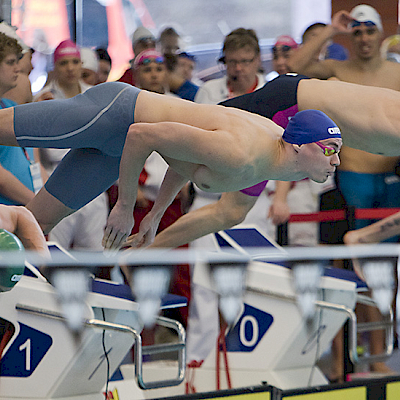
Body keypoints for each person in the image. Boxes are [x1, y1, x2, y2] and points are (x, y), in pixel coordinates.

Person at [0, 75, 346, 251]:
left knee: (32, 225)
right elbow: (140, 134)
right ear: (301, 147)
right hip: (113, 114)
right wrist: (124, 205)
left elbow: (184, 160)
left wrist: (154, 215)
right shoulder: (243, 152)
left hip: (120, 150)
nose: (337, 159)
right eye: (330, 148)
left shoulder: (270, 159)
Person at [33, 39, 108, 251]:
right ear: (55, 67)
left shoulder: (97, 97)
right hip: (57, 184)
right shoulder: (42, 100)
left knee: (94, 254)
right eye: (64, 63)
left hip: (92, 185)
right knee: (54, 253)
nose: (70, 68)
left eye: (75, 62)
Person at [0, 32, 44, 207]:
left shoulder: (11, 107)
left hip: (28, 212)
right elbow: (1, 179)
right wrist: (38, 205)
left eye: (17, 62)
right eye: (10, 62)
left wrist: (53, 203)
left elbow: (35, 163)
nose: (17, 68)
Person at [195, 28, 265, 102]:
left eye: (244, 61)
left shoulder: (269, 92)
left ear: (258, 59)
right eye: (232, 62)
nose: (238, 68)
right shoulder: (208, 91)